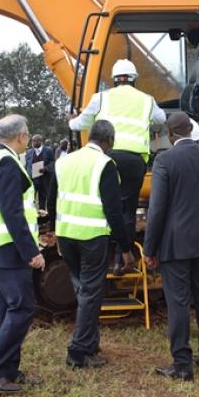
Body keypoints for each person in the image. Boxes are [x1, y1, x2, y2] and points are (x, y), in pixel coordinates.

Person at [144, 112, 199, 381]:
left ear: (169, 134)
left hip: (175, 245)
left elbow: (157, 210)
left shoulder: (164, 160)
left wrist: (149, 248)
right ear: (191, 130)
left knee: (178, 303)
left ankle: (182, 364)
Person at [47, 120, 132, 369]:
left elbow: (51, 200)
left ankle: (90, 341)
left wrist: (55, 232)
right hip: (92, 238)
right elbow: (114, 212)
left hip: (67, 235)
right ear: (109, 141)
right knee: (91, 294)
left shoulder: (64, 161)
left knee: (83, 289)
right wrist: (125, 248)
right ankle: (79, 351)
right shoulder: (105, 164)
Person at [69, 58, 166, 275]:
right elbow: (161, 119)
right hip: (134, 161)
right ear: (134, 79)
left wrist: (70, 121)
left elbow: (81, 124)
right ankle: (122, 259)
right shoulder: (146, 100)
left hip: (106, 158)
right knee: (127, 211)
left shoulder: (101, 97)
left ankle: (104, 255)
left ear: (113, 79)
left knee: (105, 206)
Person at [0, 114, 45, 394]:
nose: (28, 138)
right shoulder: (6, 162)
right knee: (23, 307)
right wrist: (32, 252)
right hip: (7, 249)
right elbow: (11, 212)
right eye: (27, 134)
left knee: (5, 310)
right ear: (21, 136)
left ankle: (8, 370)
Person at [25, 134, 55, 211]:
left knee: (43, 199)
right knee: (30, 199)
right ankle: (31, 215)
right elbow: (27, 165)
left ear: (40, 141)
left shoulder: (48, 150)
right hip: (32, 180)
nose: (33, 143)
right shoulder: (29, 152)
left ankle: (42, 218)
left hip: (44, 179)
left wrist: (45, 168)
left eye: (35, 141)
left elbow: (52, 163)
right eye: (32, 141)